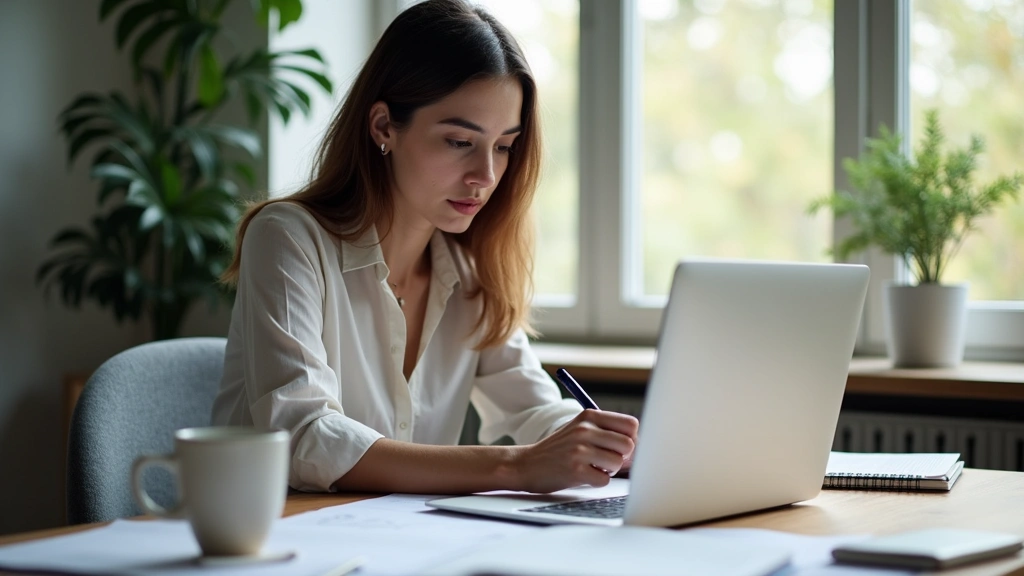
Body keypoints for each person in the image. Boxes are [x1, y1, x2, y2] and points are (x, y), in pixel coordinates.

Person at [211, 0, 638, 495]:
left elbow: (533, 408)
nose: (486, 176)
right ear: (383, 127)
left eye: (503, 146)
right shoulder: (288, 237)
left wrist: (608, 446)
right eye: (460, 141)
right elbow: (304, 434)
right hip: (272, 546)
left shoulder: (469, 267)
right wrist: (513, 467)